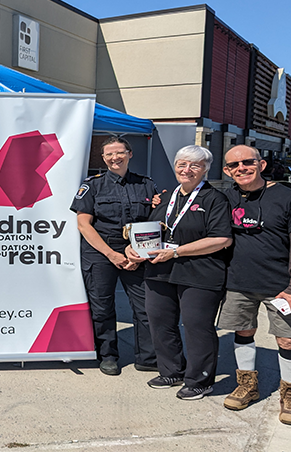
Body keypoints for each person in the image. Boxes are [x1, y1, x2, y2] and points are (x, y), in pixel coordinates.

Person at [219, 145, 291, 425]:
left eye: (247, 162)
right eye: (234, 165)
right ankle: (247, 384)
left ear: (260, 164)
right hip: (238, 282)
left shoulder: (288, 198)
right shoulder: (227, 197)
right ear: (226, 170)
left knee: (286, 339)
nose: (241, 168)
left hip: (280, 286)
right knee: (243, 330)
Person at [126, 145, 232, 400]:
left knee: (197, 326)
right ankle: (171, 370)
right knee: (160, 322)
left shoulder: (215, 199)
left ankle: (200, 380)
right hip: (160, 271)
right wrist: (133, 247)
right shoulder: (165, 198)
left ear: (206, 169)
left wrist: (176, 252)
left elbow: (221, 239)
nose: (187, 170)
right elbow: (151, 232)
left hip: (200, 273)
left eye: (195, 165)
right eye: (182, 164)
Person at [69, 136, 157, 376]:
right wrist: (112, 255)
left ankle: (148, 357)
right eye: (109, 154)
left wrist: (139, 253)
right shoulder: (92, 185)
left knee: (145, 307)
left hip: (137, 254)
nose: (114, 157)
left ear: (130, 154)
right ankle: (107, 355)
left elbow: (154, 222)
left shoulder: (147, 185)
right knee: (102, 308)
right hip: (100, 252)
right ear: (103, 158)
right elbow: (84, 225)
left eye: (119, 152)